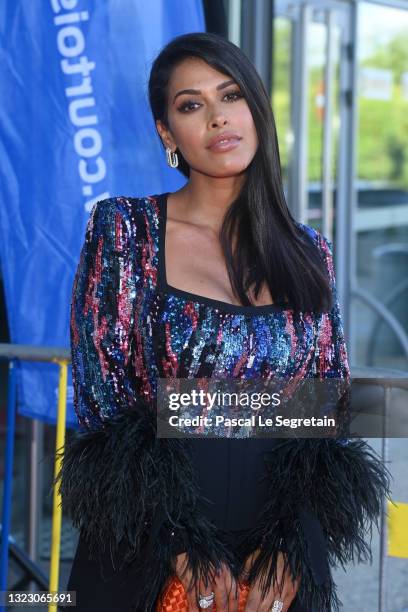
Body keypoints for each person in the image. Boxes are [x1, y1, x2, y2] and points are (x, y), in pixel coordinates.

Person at [55, 32, 391, 612]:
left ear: (256, 108)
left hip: (280, 556)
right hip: (150, 546)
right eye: (191, 105)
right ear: (168, 134)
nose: (216, 118)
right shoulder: (124, 232)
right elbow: (103, 405)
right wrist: (182, 546)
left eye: (230, 95)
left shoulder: (309, 250)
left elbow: (325, 408)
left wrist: (286, 542)